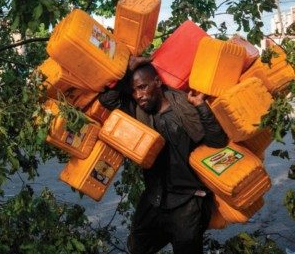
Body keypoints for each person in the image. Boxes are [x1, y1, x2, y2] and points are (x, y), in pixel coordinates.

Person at [98, 56, 228, 254]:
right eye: (133, 90)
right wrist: (128, 69)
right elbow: (106, 98)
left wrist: (201, 106)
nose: (138, 95)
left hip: (188, 201)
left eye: (142, 87)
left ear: (157, 82)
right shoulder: (136, 111)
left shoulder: (185, 108)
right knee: (137, 247)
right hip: (155, 198)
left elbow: (217, 141)